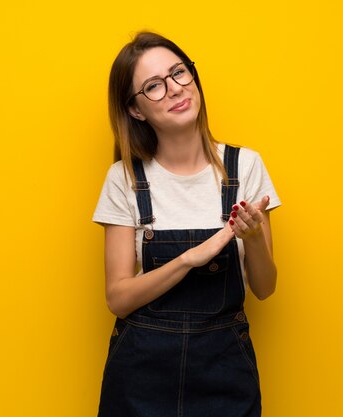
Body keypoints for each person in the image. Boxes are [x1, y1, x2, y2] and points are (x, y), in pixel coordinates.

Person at [92, 31, 281, 417]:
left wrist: (254, 237)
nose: (175, 89)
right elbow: (118, 298)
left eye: (179, 73)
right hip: (140, 376)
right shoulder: (124, 178)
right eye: (154, 87)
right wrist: (189, 259)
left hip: (225, 371)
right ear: (136, 110)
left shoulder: (245, 168)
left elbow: (264, 288)